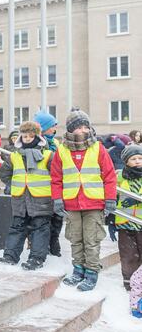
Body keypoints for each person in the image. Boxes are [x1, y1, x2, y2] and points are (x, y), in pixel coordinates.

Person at [51, 109, 117, 291]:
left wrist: (110, 199)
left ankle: (92, 272)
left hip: (94, 203)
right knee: (75, 238)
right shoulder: (62, 151)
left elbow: (110, 176)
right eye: (79, 127)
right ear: (71, 130)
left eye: (85, 126)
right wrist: (57, 199)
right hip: (71, 204)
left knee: (91, 239)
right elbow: (56, 178)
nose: (83, 130)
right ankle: (78, 269)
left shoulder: (98, 148)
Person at [0, 121, 53, 270]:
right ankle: (10, 255)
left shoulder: (47, 155)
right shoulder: (15, 156)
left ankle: (36, 258)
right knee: (17, 227)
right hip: (20, 199)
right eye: (25, 136)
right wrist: (15, 184)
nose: (27, 139)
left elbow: (57, 175)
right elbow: (4, 173)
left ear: (37, 137)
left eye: (31, 136)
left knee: (40, 229)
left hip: (41, 199)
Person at [34, 110, 63, 256]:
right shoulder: (36, 144)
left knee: (57, 218)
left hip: (56, 187)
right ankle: (41, 248)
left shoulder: (56, 143)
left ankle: (54, 243)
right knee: (42, 222)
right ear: (44, 128)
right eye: (52, 125)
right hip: (42, 189)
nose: (55, 128)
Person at [114, 145, 142, 291]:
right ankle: (130, 285)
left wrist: (136, 200)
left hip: (141, 224)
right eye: (133, 159)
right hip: (125, 223)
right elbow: (113, 197)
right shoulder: (119, 177)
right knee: (128, 255)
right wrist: (111, 220)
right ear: (126, 161)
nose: (137, 161)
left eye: (140, 158)